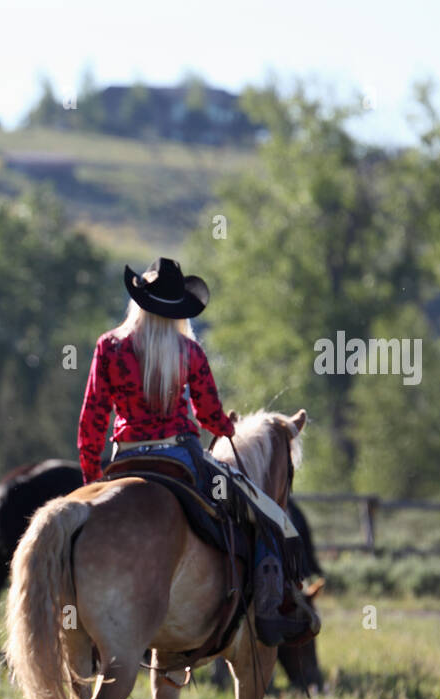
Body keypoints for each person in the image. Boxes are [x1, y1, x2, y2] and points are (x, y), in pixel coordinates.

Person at [76, 257, 311, 646]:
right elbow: (209, 414)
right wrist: (225, 427)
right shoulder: (188, 351)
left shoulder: (109, 347)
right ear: (178, 311)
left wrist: (90, 483)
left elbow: (92, 422)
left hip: (124, 460)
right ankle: (270, 610)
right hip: (181, 458)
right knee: (265, 513)